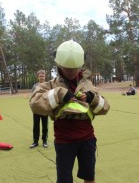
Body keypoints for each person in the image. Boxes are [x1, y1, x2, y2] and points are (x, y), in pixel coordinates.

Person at [29, 40, 110, 183]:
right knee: (64, 180)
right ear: (59, 65)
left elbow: (105, 108)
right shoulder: (51, 84)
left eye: (75, 69)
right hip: (64, 141)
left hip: (87, 139)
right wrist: (58, 93)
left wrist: (92, 99)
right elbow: (35, 104)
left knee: (89, 177)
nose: (72, 72)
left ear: (80, 66)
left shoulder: (87, 84)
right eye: (67, 69)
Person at [29, 70, 49, 149]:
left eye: (43, 76)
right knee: (36, 126)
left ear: (45, 77)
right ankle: (35, 141)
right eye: (40, 76)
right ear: (38, 77)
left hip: (44, 108)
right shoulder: (35, 86)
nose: (41, 77)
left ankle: (45, 141)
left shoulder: (48, 85)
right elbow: (33, 96)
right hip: (36, 109)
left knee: (45, 126)